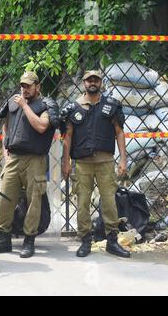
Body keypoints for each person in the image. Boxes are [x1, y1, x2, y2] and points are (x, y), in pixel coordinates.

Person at [61, 70, 130, 258]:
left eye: (96, 80)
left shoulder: (111, 105)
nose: (93, 83)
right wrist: (65, 162)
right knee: (83, 202)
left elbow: (119, 132)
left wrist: (123, 159)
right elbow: (67, 136)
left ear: (101, 83)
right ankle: (85, 241)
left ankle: (112, 241)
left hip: (105, 162)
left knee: (109, 202)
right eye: (89, 80)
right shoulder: (74, 107)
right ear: (84, 83)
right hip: (82, 164)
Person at [0, 71, 59, 258]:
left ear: (38, 86)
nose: (25, 89)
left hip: (35, 160)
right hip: (13, 158)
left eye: (29, 85)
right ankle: (4, 239)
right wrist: (6, 149)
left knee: (33, 201)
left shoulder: (45, 105)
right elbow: (6, 125)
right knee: (5, 197)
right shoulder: (13, 103)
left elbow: (41, 126)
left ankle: (29, 241)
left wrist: (24, 106)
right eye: (23, 85)